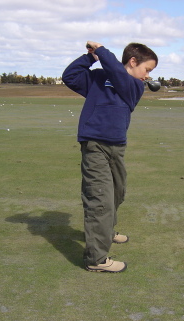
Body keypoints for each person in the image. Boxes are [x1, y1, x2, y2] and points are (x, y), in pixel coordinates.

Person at [62, 41, 158, 272]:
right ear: (133, 61)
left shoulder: (134, 86)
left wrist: (103, 51)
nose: (147, 76)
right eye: (147, 69)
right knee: (100, 200)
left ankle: (106, 231)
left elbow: (118, 74)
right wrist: (91, 58)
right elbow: (70, 76)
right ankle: (96, 259)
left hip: (117, 147)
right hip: (95, 145)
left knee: (117, 193)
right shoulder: (99, 77)